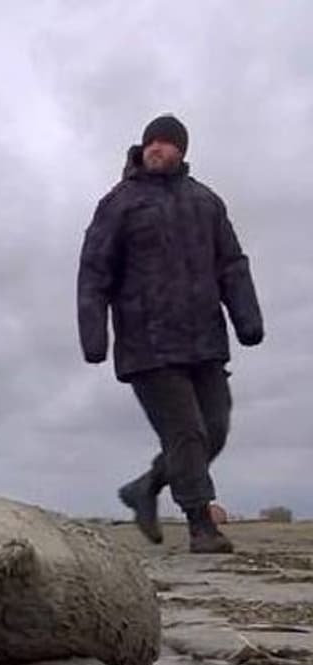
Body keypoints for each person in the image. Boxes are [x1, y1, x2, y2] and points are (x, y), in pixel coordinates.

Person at [77, 114, 264, 554]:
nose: (155, 148)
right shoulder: (119, 203)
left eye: (165, 142)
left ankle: (145, 487)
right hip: (148, 343)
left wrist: (247, 318)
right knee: (186, 433)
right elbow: (94, 271)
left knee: (214, 428)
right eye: (150, 142)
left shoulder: (207, 202)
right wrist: (94, 336)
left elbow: (231, 264)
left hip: (205, 340)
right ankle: (202, 525)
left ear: (181, 150)